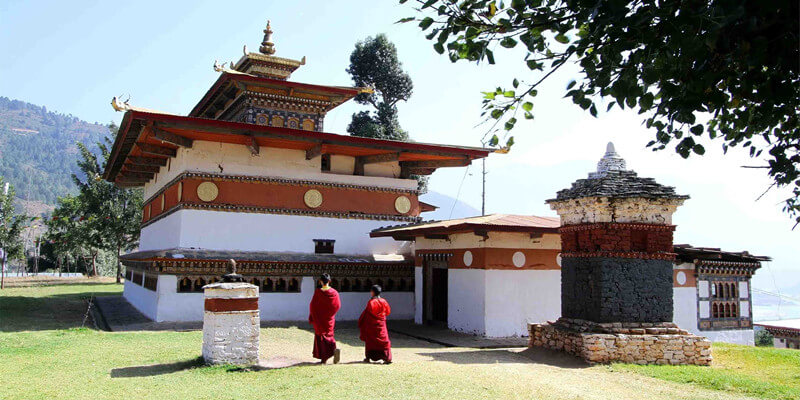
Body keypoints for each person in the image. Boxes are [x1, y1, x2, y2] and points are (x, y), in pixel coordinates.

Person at [309, 273, 341, 364]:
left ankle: (324, 358)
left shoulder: (318, 292)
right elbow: (337, 305)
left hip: (319, 319)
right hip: (329, 319)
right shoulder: (334, 293)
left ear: (320, 281)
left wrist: (314, 316)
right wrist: (331, 314)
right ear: (329, 281)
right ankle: (333, 350)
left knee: (321, 336)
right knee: (329, 335)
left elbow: (312, 306)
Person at [358, 284, 392, 364]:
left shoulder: (371, 302)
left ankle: (369, 357)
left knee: (371, 341)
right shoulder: (384, 301)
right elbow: (387, 312)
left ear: (372, 292)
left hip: (372, 325)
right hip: (381, 325)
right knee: (384, 340)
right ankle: (386, 357)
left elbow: (367, 314)